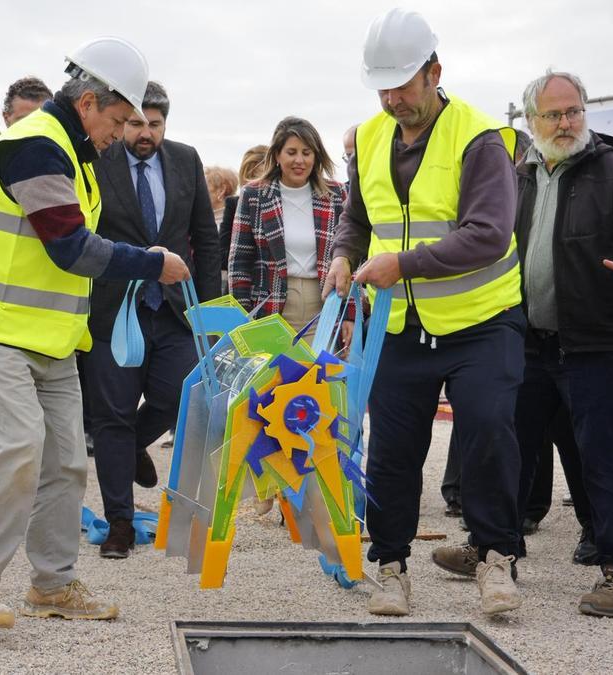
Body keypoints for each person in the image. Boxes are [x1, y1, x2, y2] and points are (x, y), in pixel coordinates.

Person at [0, 37, 191, 628]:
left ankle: (51, 585)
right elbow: (70, 247)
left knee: (69, 463)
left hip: (49, 337)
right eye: (120, 120)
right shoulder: (35, 146)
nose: (123, 133)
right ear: (90, 101)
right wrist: (151, 261)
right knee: (18, 449)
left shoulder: (72, 152)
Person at [326, 8, 523, 617]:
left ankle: (495, 559)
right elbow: (358, 216)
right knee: (392, 449)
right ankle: (390, 567)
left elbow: (489, 234)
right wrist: (342, 253)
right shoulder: (371, 135)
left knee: (488, 431)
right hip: (399, 326)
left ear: (435, 71)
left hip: (482, 320)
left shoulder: (481, 137)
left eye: (403, 86)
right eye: (382, 87)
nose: (392, 99)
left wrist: (402, 265)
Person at [478, 70, 613, 617]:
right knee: (509, 453)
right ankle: (495, 553)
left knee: (603, 458)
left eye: (573, 111)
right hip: (526, 342)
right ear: (530, 121)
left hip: (595, 343)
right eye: (553, 114)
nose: (565, 123)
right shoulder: (518, 176)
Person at [86, 80, 220, 558]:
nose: (145, 132)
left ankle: (132, 447)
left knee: (174, 398)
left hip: (174, 312)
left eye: (155, 124)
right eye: (136, 122)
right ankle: (119, 521)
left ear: (166, 122)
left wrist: (207, 311)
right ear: (123, 121)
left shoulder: (185, 160)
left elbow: (205, 239)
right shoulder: (98, 160)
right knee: (113, 416)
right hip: (114, 309)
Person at [229, 117, 346, 335]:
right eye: (291, 152)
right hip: (269, 311)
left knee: (318, 370)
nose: (299, 160)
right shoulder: (254, 195)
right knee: (276, 370)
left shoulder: (337, 195)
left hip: (323, 310)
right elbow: (240, 262)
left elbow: (350, 259)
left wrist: (349, 315)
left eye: (307, 152)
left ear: (316, 156)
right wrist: (242, 318)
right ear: (277, 155)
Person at [218, 144, 267, 274]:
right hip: (241, 286)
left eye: (265, 179)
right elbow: (222, 256)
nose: (257, 185)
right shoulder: (233, 204)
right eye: (253, 179)